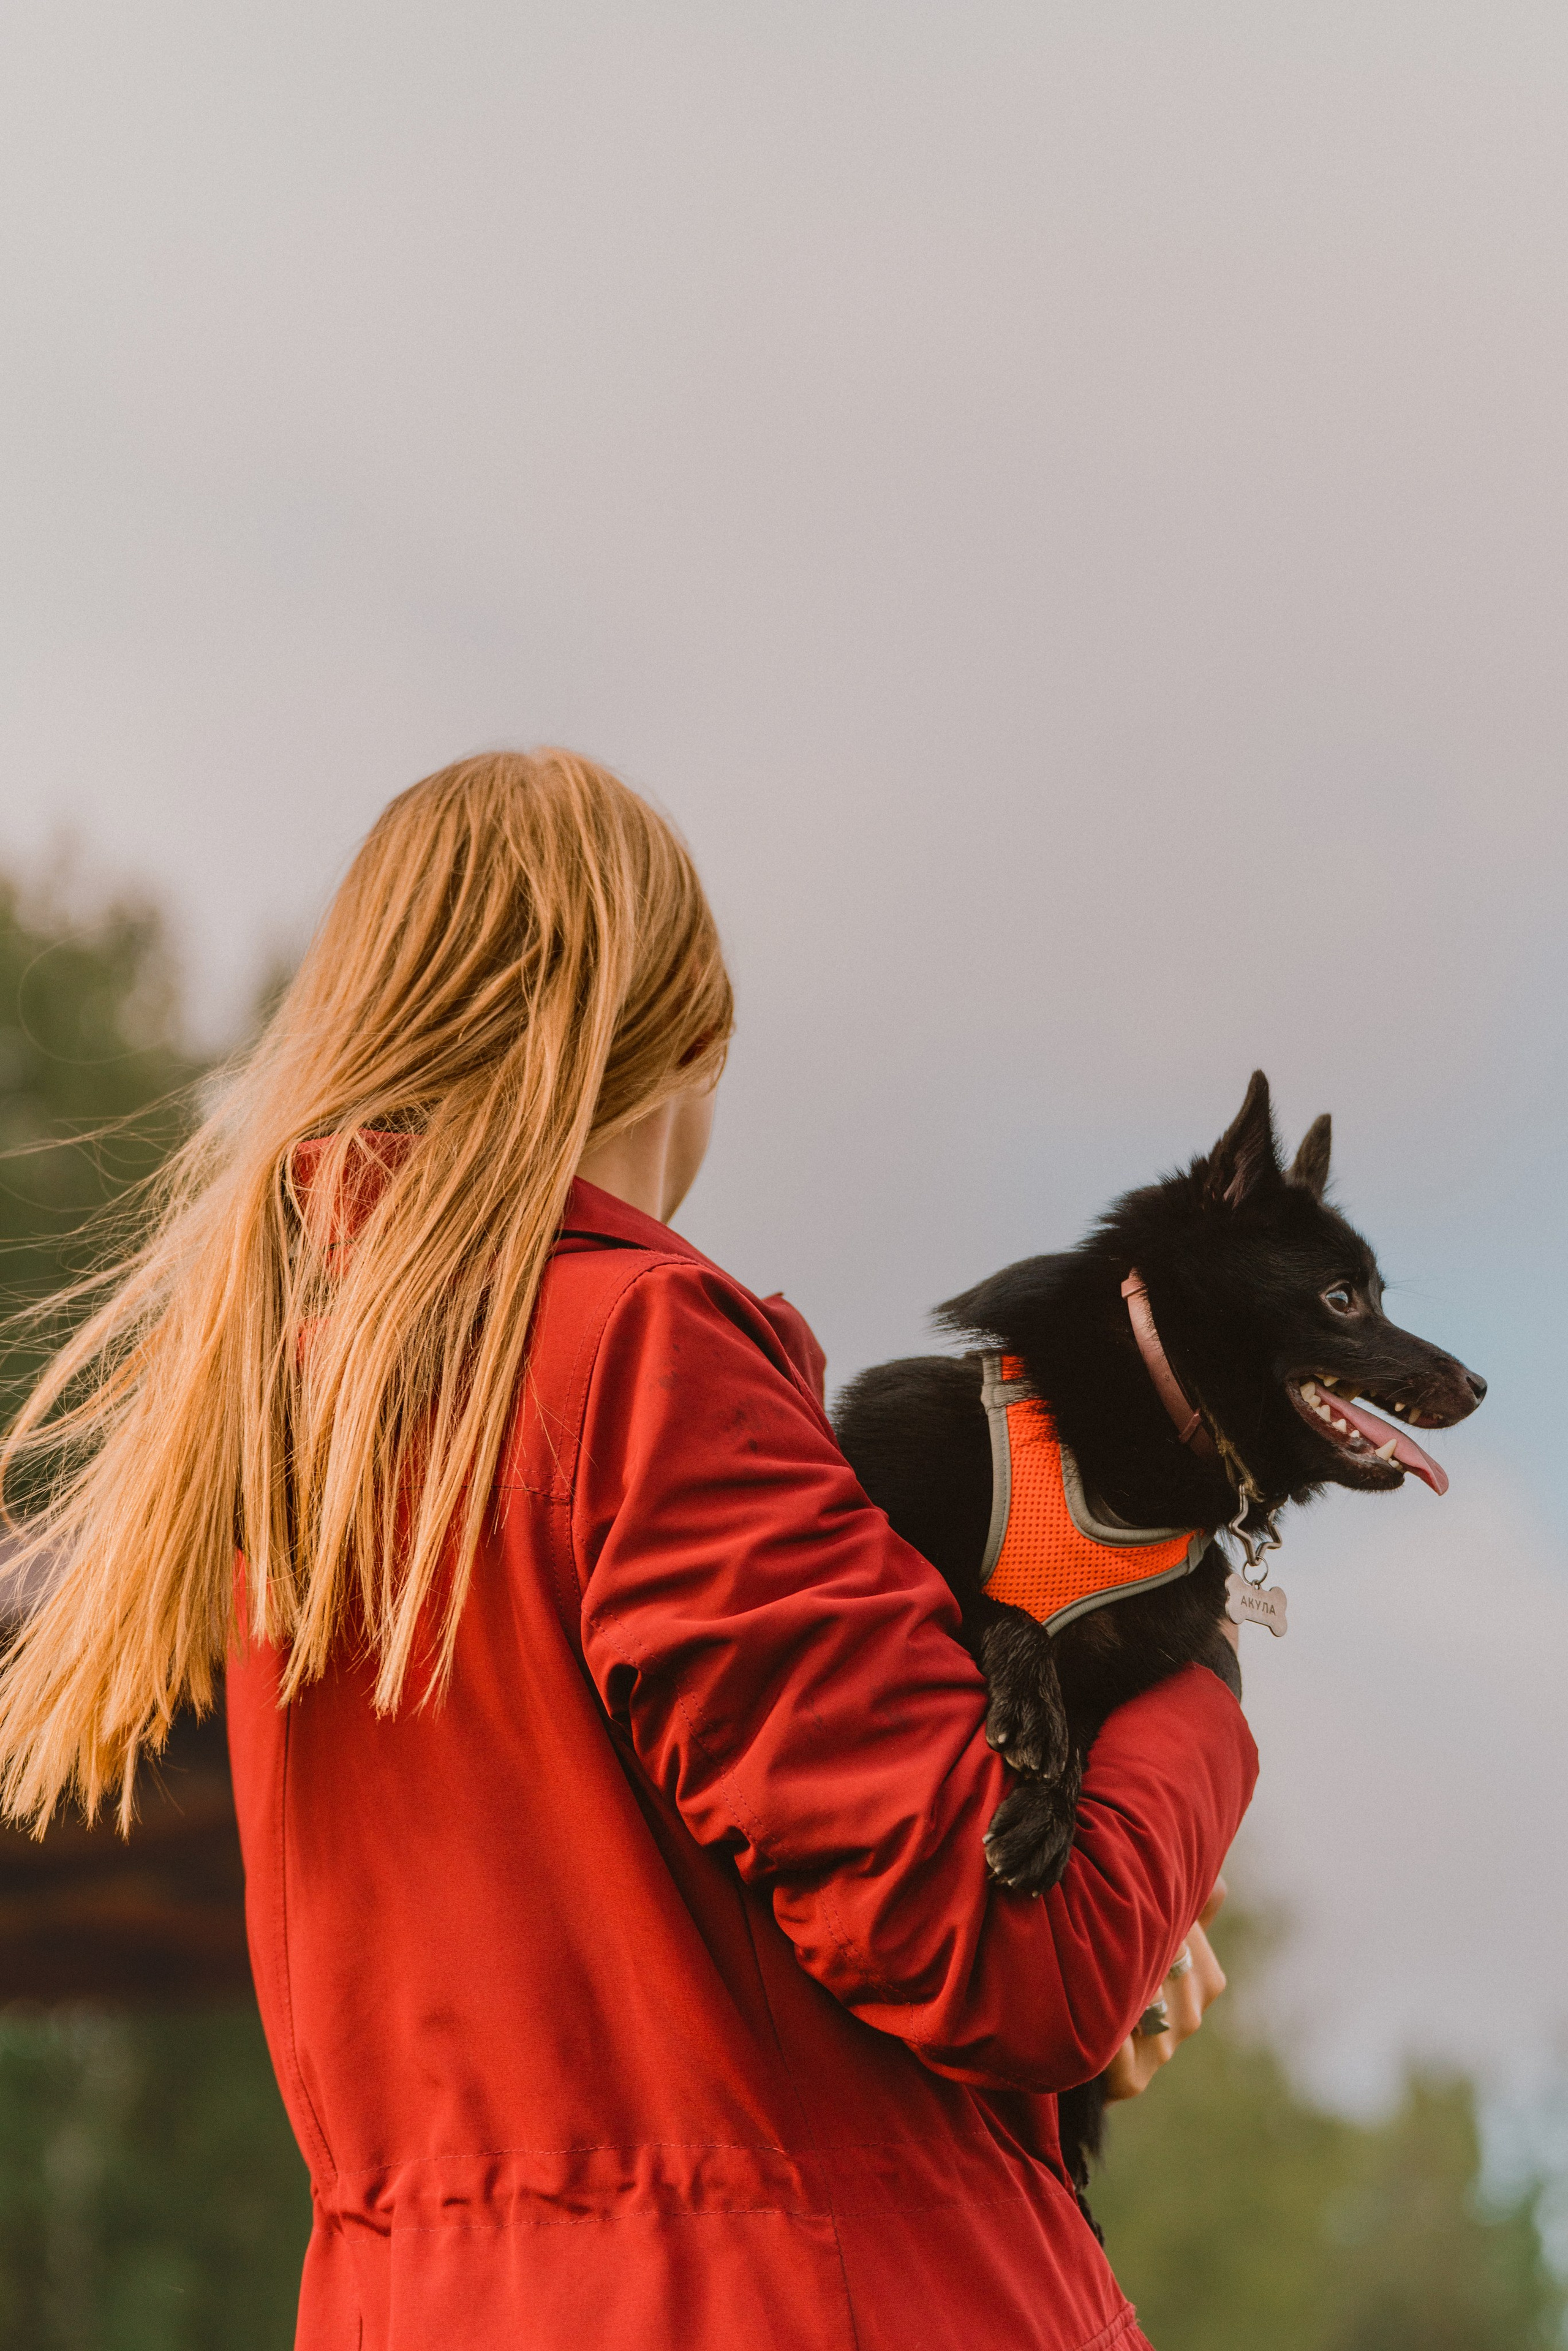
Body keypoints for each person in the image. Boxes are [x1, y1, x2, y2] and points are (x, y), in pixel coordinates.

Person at [0, 752, 1256, 2351]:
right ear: (683, 1046)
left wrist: (1099, 1944)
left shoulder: (276, 1441)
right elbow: (1012, 1951)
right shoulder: (637, 1356)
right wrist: (1195, 1690)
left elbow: (652, 1958)